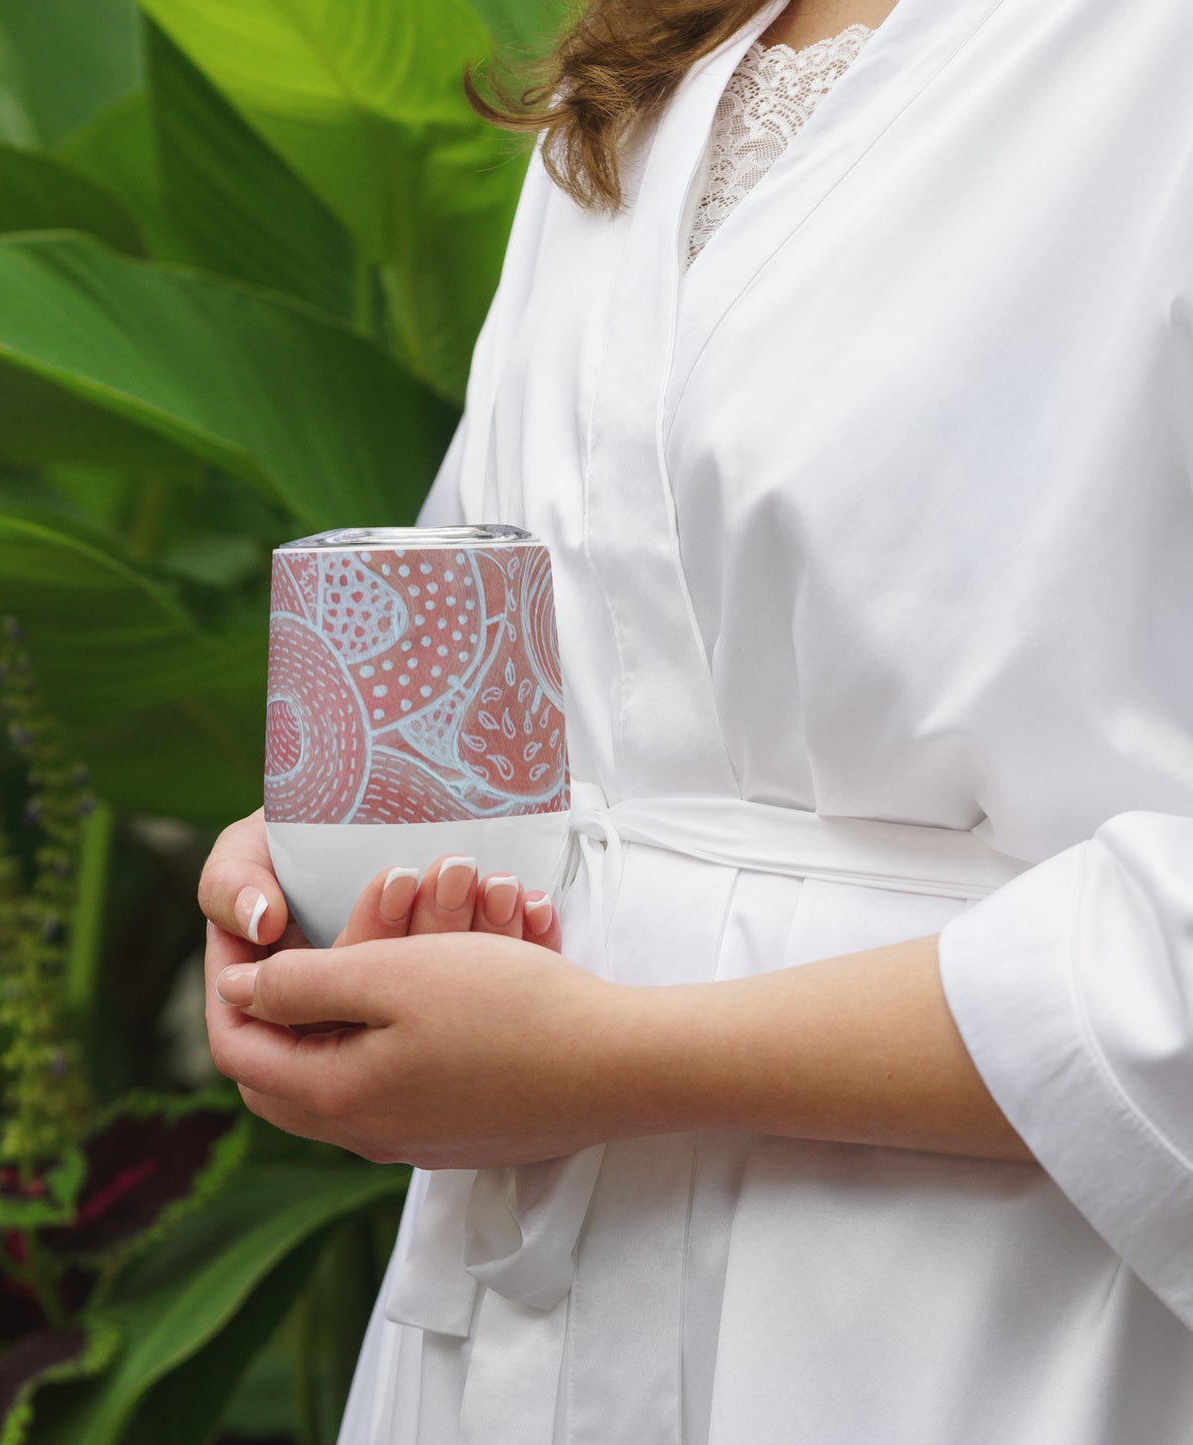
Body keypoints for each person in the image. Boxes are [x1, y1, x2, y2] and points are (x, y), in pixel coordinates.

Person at [199, 0, 1193, 1438]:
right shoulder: (650, 57)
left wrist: (611, 1058)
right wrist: (331, 860)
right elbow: (552, 651)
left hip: (983, 1316)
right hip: (525, 1311)